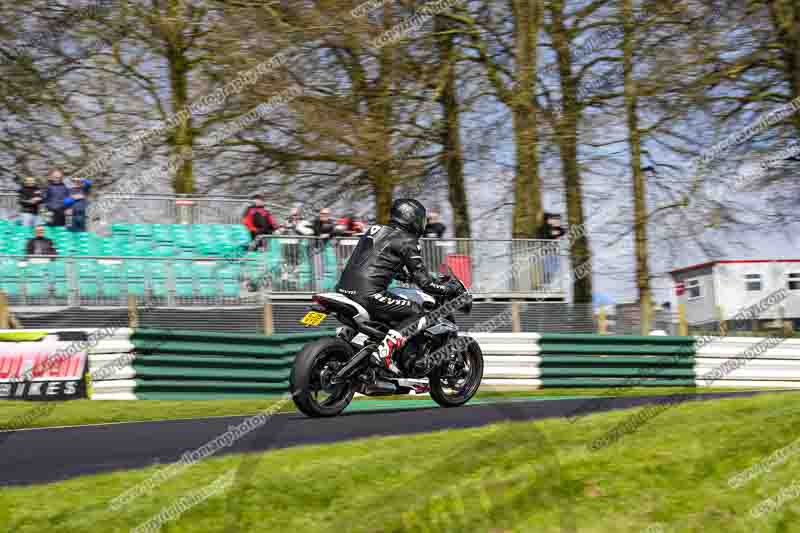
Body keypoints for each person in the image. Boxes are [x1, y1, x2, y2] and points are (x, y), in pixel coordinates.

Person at [335, 199, 464, 375]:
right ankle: (384, 353)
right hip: (369, 294)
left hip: (343, 290)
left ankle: (346, 339)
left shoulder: (376, 230)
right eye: (420, 218)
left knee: (390, 309)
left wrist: (399, 274)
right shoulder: (408, 240)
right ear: (411, 217)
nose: (422, 223)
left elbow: (373, 262)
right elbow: (425, 283)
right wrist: (450, 289)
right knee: (418, 312)